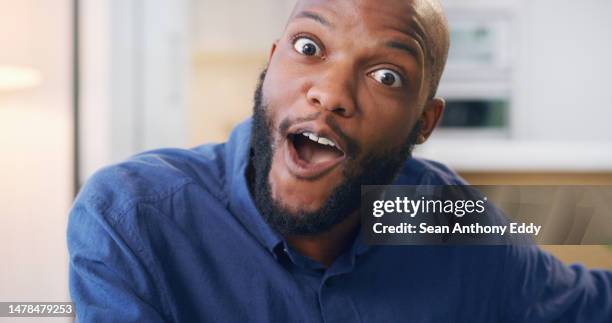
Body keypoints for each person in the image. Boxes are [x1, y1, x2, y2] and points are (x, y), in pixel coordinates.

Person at [67, 0, 612, 322]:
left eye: (387, 76)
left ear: (423, 123)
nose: (330, 94)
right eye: (309, 48)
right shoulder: (133, 217)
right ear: (272, 61)